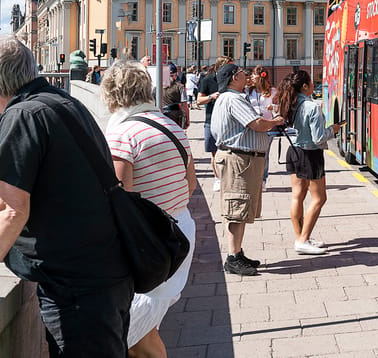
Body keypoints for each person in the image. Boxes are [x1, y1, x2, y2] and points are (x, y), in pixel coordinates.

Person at [0, 36, 135, 356]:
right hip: (108, 273)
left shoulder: (21, 117)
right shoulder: (61, 102)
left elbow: (12, 211)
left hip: (77, 290)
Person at [101, 60, 198, 358]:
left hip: (146, 246)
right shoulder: (171, 126)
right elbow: (191, 184)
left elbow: (119, 199)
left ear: (112, 95)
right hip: (178, 234)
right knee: (143, 333)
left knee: (133, 337)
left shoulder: (122, 134)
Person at [211, 64, 286, 276]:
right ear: (235, 77)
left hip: (241, 159)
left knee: (240, 207)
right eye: (244, 73)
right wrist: (277, 121)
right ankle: (233, 257)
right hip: (238, 160)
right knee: (237, 206)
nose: (248, 76)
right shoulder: (233, 99)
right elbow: (257, 124)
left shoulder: (231, 97)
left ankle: (237, 253)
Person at [275, 70, 345, 255]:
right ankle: (303, 239)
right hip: (310, 154)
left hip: (294, 151)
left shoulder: (289, 102)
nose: (315, 85)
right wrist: (334, 129)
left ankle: (301, 237)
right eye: (312, 83)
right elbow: (318, 138)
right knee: (319, 198)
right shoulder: (312, 107)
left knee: (297, 196)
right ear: (304, 86)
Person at [197, 56, 233, 191]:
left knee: (228, 151)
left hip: (228, 121)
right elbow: (199, 100)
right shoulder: (207, 80)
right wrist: (211, 97)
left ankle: (227, 177)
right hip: (211, 120)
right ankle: (217, 178)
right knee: (214, 153)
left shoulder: (231, 81)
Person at [246, 65, 278, 183]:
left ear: (260, 76)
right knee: (252, 153)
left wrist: (273, 107)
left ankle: (263, 179)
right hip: (252, 125)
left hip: (267, 126)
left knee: (264, 154)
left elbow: (280, 108)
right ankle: (253, 177)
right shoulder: (248, 91)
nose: (252, 77)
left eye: (254, 74)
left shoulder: (272, 91)